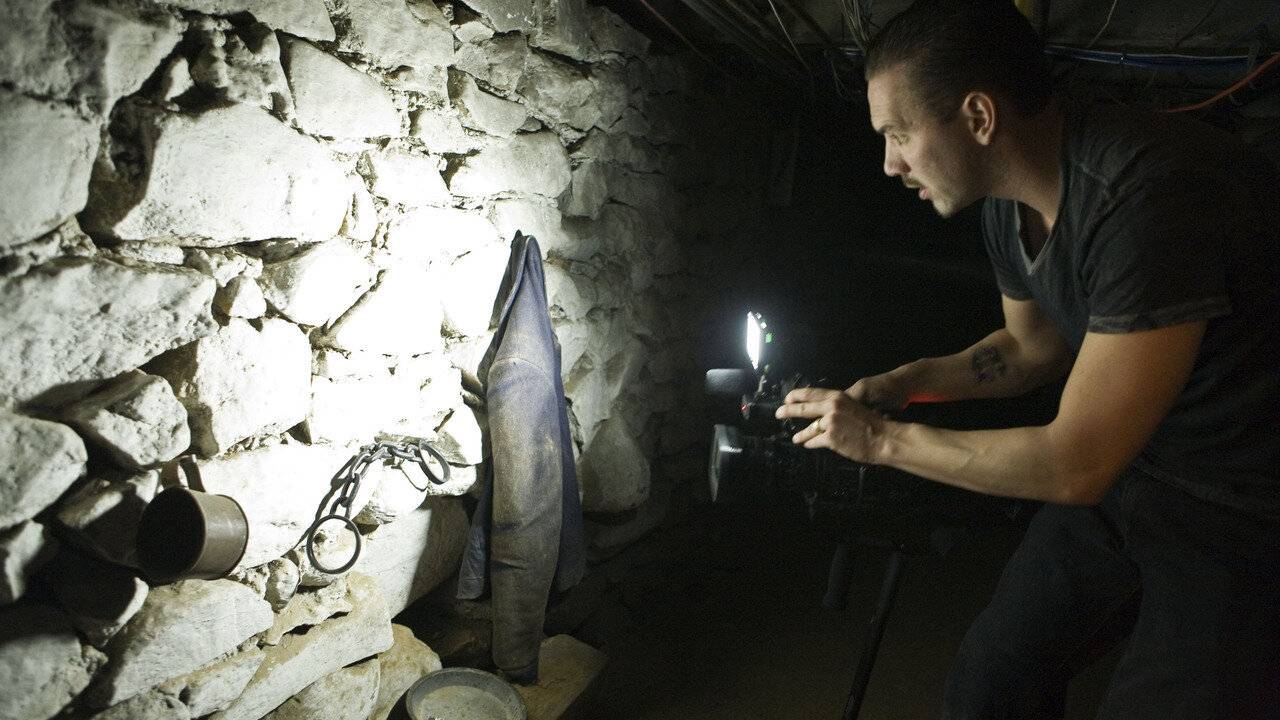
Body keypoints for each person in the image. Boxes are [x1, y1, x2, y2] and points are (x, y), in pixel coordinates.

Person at [774, 1, 1280, 718]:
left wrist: (882, 440)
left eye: (899, 134)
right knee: (992, 681)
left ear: (979, 117)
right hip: (1143, 469)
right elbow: (1030, 349)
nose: (889, 164)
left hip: (1243, 505)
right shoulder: (1007, 205)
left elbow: (1077, 464)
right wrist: (904, 384)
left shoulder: (1145, 199)